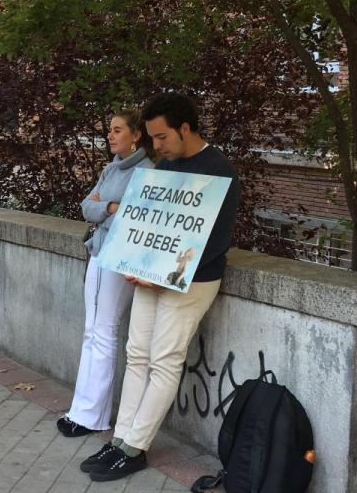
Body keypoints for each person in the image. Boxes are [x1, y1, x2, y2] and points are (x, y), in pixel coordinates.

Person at [82, 92, 241, 482]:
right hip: (149, 276)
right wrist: (137, 264)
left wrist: (158, 271)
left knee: (164, 360)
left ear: (184, 128)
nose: (155, 146)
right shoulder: (164, 168)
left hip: (191, 282)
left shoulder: (218, 170)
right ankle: (119, 440)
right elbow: (144, 223)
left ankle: (135, 447)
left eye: (161, 137)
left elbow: (212, 241)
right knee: (137, 354)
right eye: (151, 138)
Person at [57, 109, 155, 438]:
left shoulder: (146, 171)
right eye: (110, 130)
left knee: (102, 332)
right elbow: (88, 207)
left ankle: (89, 415)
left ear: (136, 134)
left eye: (117, 130)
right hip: (100, 251)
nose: (111, 136)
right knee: (96, 330)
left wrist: (108, 207)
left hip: (115, 256)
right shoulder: (112, 168)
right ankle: (85, 410)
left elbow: (134, 216)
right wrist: (111, 206)